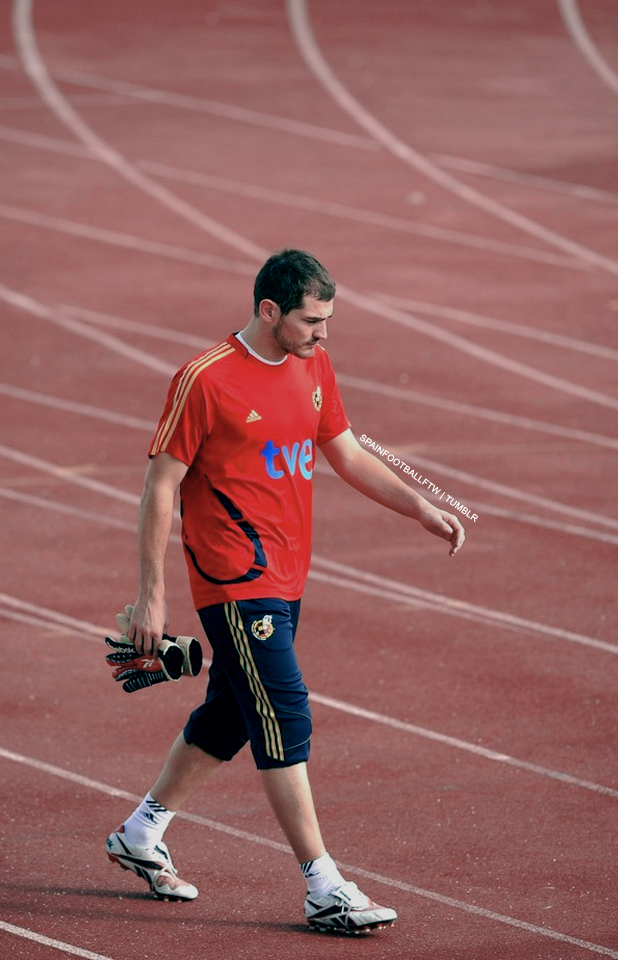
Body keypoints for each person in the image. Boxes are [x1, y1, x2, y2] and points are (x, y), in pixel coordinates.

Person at [105, 249, 465, 935]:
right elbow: (160, 487)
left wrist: (418, 506)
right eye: (311, 321)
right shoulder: (205, 379)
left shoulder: (313, 366)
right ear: (269, 310)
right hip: (235, 581)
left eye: (326, 321)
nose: (322, 334)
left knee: (231, 715)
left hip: (287, 577)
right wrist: (152, 595)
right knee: (284, 713)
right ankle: (323, 886)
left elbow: (346, 451)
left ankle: (140, 833)